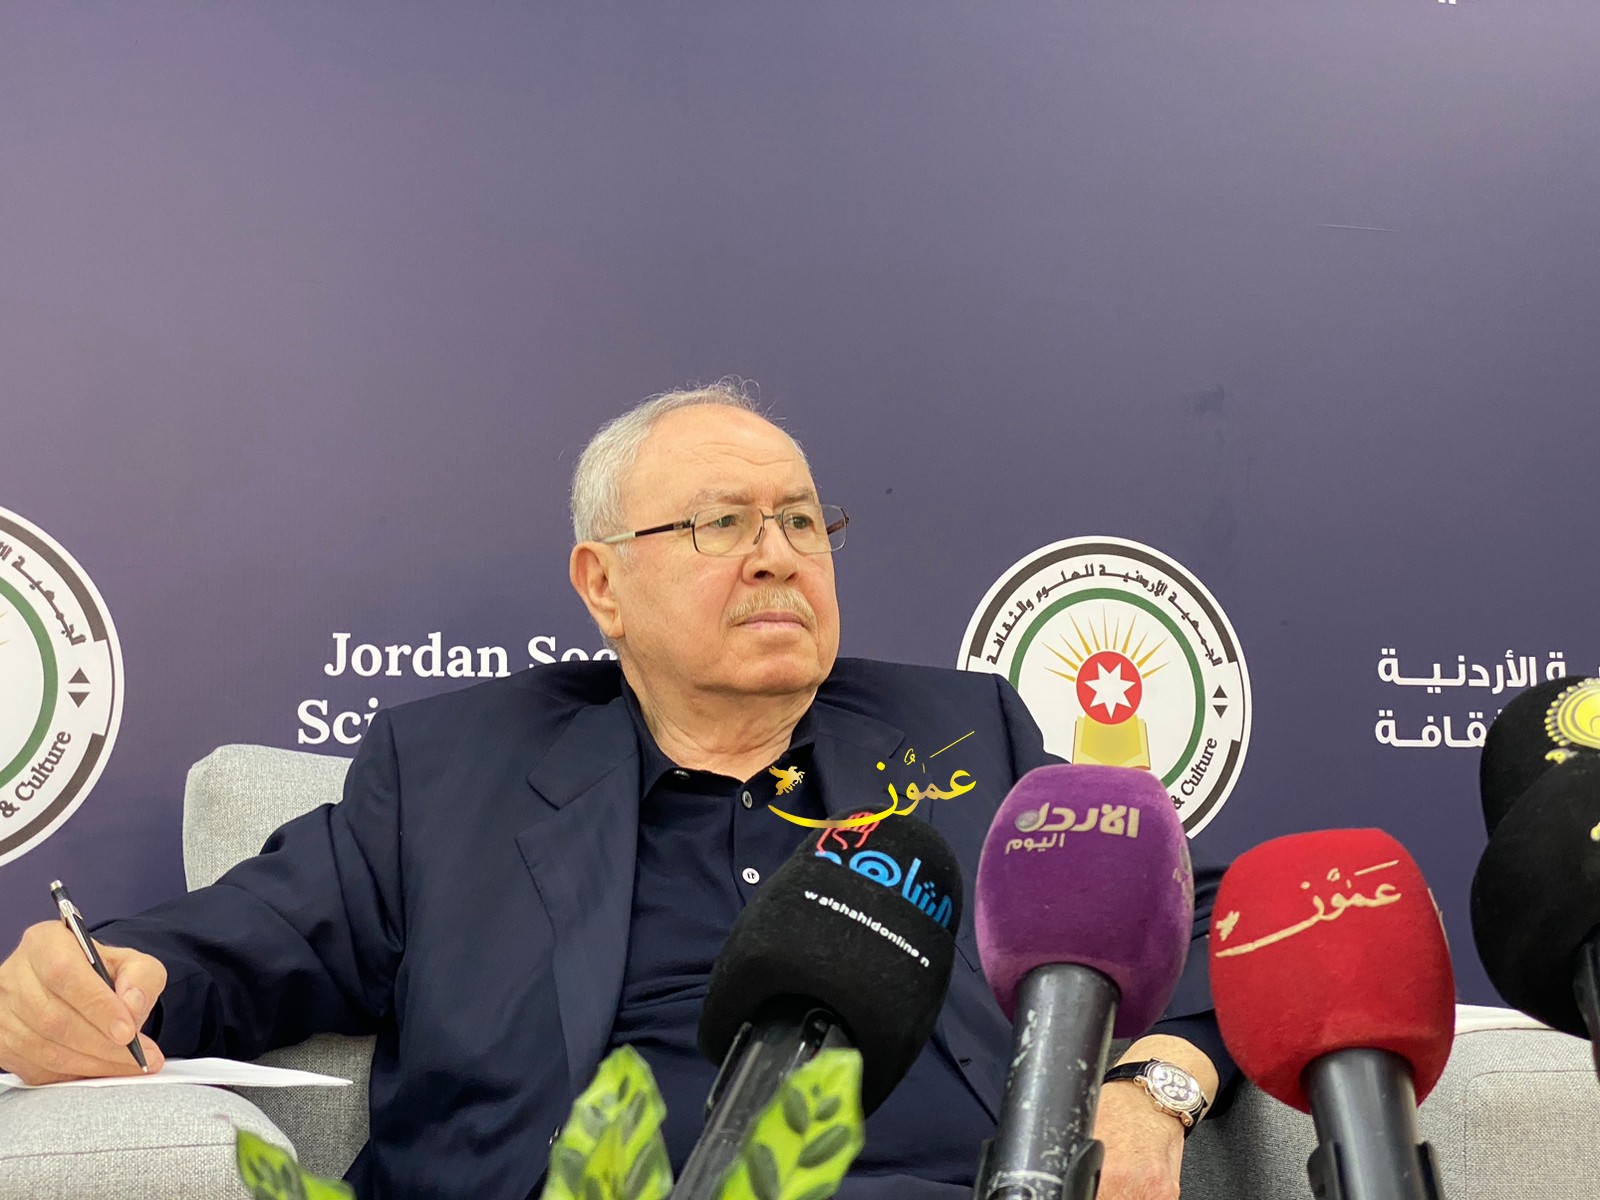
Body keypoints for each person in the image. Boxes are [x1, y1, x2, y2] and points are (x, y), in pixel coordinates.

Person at [0, 384, 1230, 1199]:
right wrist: (101, 981)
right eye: (720, 524)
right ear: (602, 585)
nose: (777, 556)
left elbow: (1215, 920)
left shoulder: (967, 734)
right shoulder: (453, 773)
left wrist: (1153, 1090)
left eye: (803, 522)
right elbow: (238, 945)